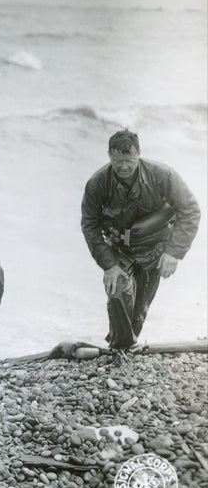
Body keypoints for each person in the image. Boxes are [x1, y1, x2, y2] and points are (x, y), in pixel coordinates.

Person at [81, 129, 200, 354]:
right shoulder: (97, 184)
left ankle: (124, 348)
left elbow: (191, 209)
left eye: (129, 160)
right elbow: (90, 226)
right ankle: (118, 348)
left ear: (139, 154)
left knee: (139, 310)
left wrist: (174, 252)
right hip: (119, 250)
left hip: (154, 247)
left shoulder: (162, 175)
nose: (123, 166)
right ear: (109, 156)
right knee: (118, 293)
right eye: (117, 161)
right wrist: (109, 264)